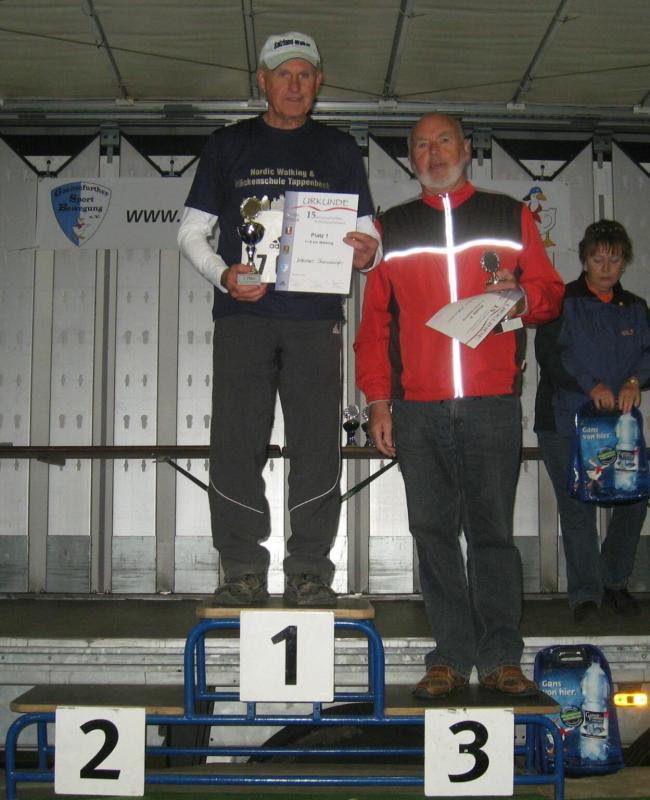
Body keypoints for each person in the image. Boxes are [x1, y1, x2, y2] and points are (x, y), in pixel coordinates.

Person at [354, 113, 564, 697]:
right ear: (411, 159)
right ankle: (449, 654)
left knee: (492, 534)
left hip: (491, 403)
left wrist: (520, 297)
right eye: (421, 145)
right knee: (433, 534)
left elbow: (551, 293)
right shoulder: (391, 229)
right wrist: (378, 401)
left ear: (466, 149)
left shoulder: (509, 215)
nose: (434, 153)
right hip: (417, 409)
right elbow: (374, 327)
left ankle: (501, 657)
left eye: (444, 141)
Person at [178, 32, 380, 608]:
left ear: (319, 82)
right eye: (283, 74)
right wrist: (224, 274)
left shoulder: (340, 149)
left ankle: (310, 571)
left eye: (305, 74)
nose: (295, 85)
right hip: (244, 318)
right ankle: (242, 568)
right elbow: (190, 232)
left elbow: (369, 236)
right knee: (236, 442)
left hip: (316, 319)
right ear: (262, 81)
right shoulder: (227, 144)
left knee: (317, 445)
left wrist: (369, 253)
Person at [535, 220, 650, 624]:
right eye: (598, 259)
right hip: (564, 420)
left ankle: (615, 582)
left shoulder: (635, 307)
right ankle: (585, 594)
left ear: (624, 263)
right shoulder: (562, 301)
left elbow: (647, 354)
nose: (605, 267)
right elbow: (551, 355)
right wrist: (591, 385)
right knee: (577, 505)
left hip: (618, 425)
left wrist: (635, 380)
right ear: (584, 260)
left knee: (633, 501)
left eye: (614, 260)